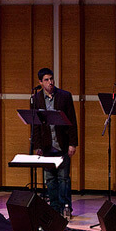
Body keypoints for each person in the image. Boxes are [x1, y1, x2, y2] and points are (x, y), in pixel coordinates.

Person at [32, 67, 78, 216]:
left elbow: (72, 121)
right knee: (50, 178)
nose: (50, 82)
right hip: (47, 145)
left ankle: (66, 206)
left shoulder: (64, 96)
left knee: (63, 177)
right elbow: (36, 125)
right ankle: (54, 207)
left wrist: (73, 143)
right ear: (40, 82)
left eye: (51, 79)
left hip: (62, 143)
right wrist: (37, 145)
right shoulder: (36, 98)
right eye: (46, 80)